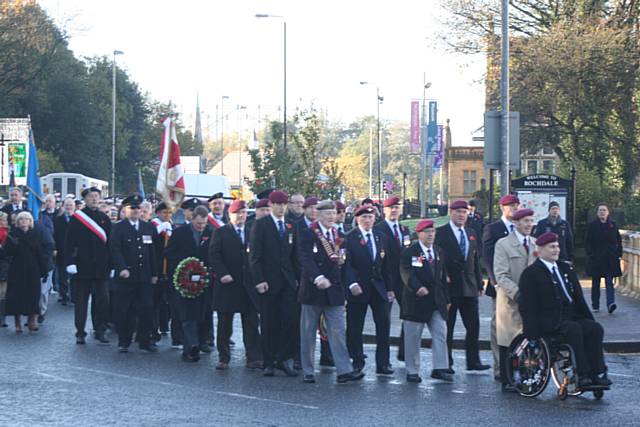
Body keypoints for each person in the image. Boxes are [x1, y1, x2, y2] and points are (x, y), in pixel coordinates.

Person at [519, 232, 612, 389]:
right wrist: (531, 333)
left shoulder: (565, 268)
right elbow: (527, 305)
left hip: (571, 315)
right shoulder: (531, 273)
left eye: (557, 246)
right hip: (549, 321)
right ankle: (582, 375)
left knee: (594, 329)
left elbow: (578, 297)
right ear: (540, 250)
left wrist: (589, 318)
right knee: (573, 330)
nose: (556, 250)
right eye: (551, 247)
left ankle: (597, 373)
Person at [297, 200, 365, 384]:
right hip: (313, 290)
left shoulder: (340, 236)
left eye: (333, 214)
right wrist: (317, 277)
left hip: (334, 290)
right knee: (308, 331)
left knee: (337, 331)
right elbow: (305, 258)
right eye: (327, 214)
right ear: (318, 215)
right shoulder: (308, 234)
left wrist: (351, 284)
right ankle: (308, 370)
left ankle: (344, 371)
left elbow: (345, 264)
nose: (330, 217)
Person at [249, 190, 300, 377]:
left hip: (287, 281)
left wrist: (298, 279)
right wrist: (259, 280)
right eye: (278, 204)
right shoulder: (260, 225)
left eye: (284, 204)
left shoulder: (290, 225)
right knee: (269, 322)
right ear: (271, 205)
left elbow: (295, 255)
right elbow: (255, 256)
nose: (281, 208)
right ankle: (268, 361)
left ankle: (283, 358)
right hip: (268, 282)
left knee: (289, 320)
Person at [435, 200, 489, 372]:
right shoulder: (441, 233)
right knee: (448, 327)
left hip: (470, 286)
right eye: (458, 212)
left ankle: (473, 361)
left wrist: (480, 282)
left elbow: (474, 259)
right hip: (450, 287)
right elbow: (437, 260)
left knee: (473, 326)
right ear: (451, 212)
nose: (461, 215)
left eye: (464, 212)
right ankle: (446, 363)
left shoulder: (471, 232)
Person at [209, 200, 262, 370]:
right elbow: (214, 255)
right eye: (238, 213)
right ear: (230, 215)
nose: (241, 216)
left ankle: (253, 357)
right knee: (225, 323)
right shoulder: (221, 232)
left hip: (248, 285)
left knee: (251, 323)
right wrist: (223, 273)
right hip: (228, 284)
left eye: (244, 213)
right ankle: (224, 357)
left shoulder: (251, 231)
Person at [400, 219, 453, 383]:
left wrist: (447, 299)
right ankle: (412, 370)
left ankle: (440, 367)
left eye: (433, 231)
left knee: (440, 333)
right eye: (427, 232)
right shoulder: (411, 252)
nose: (430, 235)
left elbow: (443, 277)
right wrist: (417, 287)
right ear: (419, 234)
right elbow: (406, 273)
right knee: (413, 338)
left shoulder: (438, 251)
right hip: (416, 301)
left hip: (436, 301)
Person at [343, 205, 394, 375]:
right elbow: (346, 265)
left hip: (378, 288)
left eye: (370, 217)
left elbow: (386, 265)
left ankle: (383, 363)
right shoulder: (349, 238)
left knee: (384, 324)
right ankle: (357, 360)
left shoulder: (381, 237)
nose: (367, 220)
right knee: (355, 326)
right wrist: (351, 284)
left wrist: (390, 288)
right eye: (364, 217)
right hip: (358, 287)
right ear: (357, 219)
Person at [493, 208, 537, 392]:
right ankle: (507, 379)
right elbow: (501, 275)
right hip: (511, 300)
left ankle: (527, 375)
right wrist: (518, 293)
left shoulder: (535, 244)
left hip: (532, 302)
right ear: (516, 224)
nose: (529, 224)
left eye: (531, 221)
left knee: (529, 341)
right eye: (525, 221)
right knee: (508, 341)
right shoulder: (503, 244)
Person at [109, 195, 159, 353]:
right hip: (126, 276)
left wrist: (154, 272)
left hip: (144, 276)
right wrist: (121, 268)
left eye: (138, 208)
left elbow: (153, 252)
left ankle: (145, 340)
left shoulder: (147, 227)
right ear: (125, 210)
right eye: (132, 208)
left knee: (146, 308)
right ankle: (124, 340)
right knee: (125, 310)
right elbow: (115, 249)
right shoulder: (118, 227)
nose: (136, 211)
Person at [64, 187, 112, 345]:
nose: (94, 199)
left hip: (101, 268)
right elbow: (69, 242)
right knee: (81, 302)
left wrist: (112, 265)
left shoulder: (104, 218)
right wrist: (70, 263)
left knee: (102, 301)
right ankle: (80, 332)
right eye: (91, 197)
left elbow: (110, 245)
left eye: (96, 196)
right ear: (85, 199)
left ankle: (100, 331)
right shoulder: (77, 218)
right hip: (82, 267)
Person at [165, 206, 212, 362]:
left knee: (200, 314)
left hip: (203, 281)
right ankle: (190, 347)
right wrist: (185, 266)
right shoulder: (180, 232)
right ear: (192, 219)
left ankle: (198, 342)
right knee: (187, 315)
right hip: (183, 280)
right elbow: (169, 253)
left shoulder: (210, 233)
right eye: (198, 223)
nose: (201, 226)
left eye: (204, 223)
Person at [482, 194, 519, 380]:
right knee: (499, 327)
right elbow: (488, 257)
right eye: (511, 206)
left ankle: (516, 363)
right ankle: (499, 366)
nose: (514, 208)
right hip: (501, 286)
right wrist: (496, 282)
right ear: (502, 208)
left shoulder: (520, 228)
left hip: (519, 285)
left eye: (516, 205)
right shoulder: (493, 229)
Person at [374, 196, 411, 362]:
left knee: (409, 315)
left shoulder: (404, 230)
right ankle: (383, 360)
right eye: (391, 207)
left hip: (403, 279)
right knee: (384, 320)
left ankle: (404, 351)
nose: (394, 210)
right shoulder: (379, 229)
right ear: (384, 210)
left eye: (397, 207)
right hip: (385, 279)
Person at [1, 211, 48, 333]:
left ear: (30, 222)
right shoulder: (12, 234)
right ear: (17, 222)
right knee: (17, 295)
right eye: (21, 219)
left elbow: (40, 253)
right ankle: (17, 322)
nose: (24, 222)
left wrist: (44, 270)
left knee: (33, 295)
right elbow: (6, 253)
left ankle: (32, 320)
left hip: (33, 269)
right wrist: (12, 245)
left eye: (26, 219)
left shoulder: (36, 234)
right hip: (17, 268)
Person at [585, 203, 623, 314]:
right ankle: (595, 304)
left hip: (610, 258)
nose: (602, 212)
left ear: (608, 212)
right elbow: (588, 241)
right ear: (597, 213)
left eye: (604, 210)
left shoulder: (613, 225)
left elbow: (618, 240)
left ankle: (610, 303)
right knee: (596, 283)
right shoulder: (592, 226)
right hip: (596, 258)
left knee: (609, 282)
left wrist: (618, 253)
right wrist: (590, 254)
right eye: (600, 210)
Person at [151, 202, 176, 344]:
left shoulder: (170, 226)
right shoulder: (153, 225)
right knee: (154, 301)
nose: (167, 215)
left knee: (167, 301)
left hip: (169, 268)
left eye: (169, 213)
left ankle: (165, 325)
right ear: (158, 213)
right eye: (164, 212)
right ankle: (154, 330)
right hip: (157, 267)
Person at [53, 198, 75, 305]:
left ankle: (74, 296)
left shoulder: (78, 219)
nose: (69, 207)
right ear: (63, 206)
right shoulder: (58, 220)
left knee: (75, 276)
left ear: (74, 207)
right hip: (62, 251)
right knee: (62, 275)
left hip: (75, 252)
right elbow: (55, 236)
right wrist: (55, 248)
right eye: (67, 205)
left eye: (71, 205)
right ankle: (64, 295)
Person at [0, 212, 9, 327]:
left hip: (4, 266)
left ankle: (2, 318)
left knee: (3, 294)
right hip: (4, 265)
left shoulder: (8, 233)